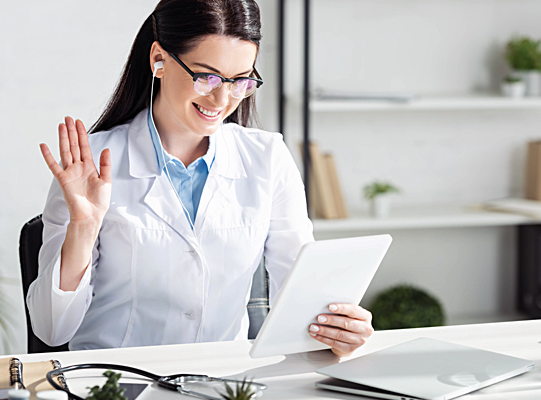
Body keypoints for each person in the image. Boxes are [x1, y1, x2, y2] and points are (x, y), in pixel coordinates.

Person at [27, 0, 373, 357]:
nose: (222, 99)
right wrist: (82, 228)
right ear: (158, 59)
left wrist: (340, 327)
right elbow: (52, 330)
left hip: (224, 380)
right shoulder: (90, 166)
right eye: (206, 76)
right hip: (118, 381)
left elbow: (302, 296)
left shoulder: (267, 158)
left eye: (240, 81)